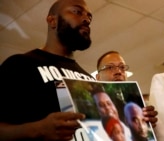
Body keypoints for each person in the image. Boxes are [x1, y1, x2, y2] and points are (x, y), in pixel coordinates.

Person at [0, 0, 94, 140]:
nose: (86, 19)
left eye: (89, 16)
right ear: (52, 21)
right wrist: (39, 129)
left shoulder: (90, 79)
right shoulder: (19, 64)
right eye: (77, 11)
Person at [96, 50, 158, 127]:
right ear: (98, 78)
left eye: (122, 67)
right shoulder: (94, 105)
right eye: (110, 67)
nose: (118, 71)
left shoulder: (141, 104)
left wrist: (150, 127)